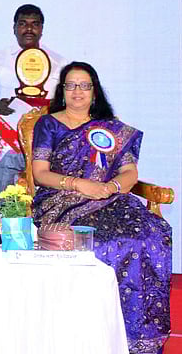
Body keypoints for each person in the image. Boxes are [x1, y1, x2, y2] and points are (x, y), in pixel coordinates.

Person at [30, 62, 170, 354]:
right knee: (101, 242)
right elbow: (40, 174)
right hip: (62, 199)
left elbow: (129, 172)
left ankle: (136, 334)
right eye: (71, 85)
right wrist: (79, 184)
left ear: (95, 91)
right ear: (62, 90)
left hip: (110, 198)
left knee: (151, 234)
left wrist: (111, 187)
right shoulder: (49, 124)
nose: (77, 91)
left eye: (85, 85)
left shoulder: (111, 128)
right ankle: (90, 333)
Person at [0, 4, 67, 204]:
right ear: (14, 28)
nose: (29, 29)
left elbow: (68, 103)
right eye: (23, 24)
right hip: (6, 144)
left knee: (45, 207)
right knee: (4, 208)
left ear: (42, 28)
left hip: (46, 147)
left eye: (35, 24)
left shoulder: (59, 63)